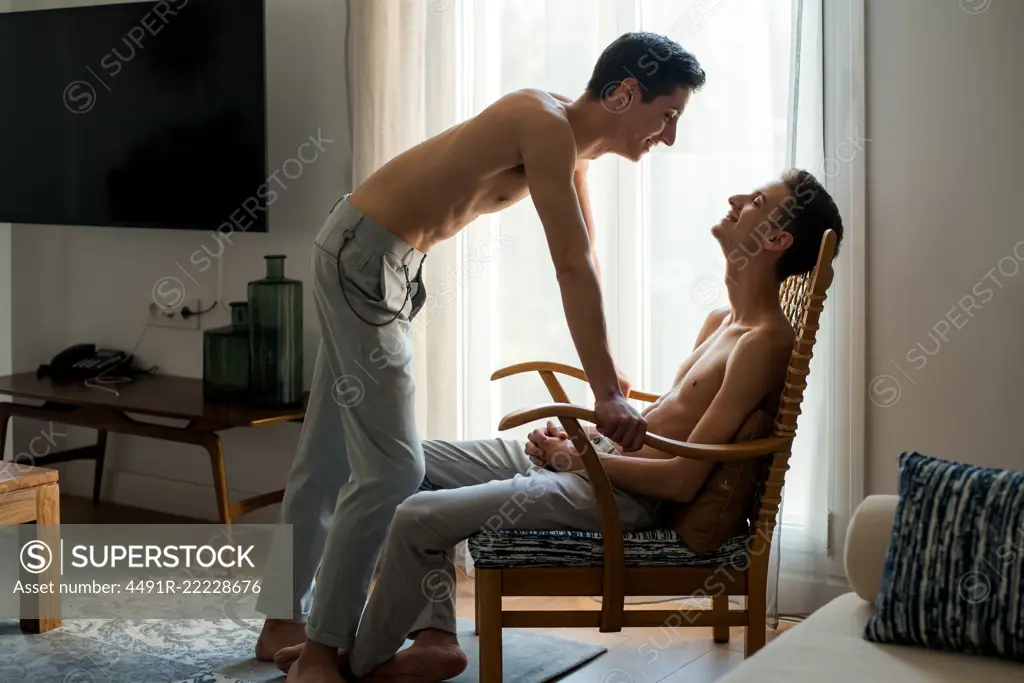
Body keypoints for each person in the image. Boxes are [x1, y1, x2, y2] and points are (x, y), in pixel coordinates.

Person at [254, 32, 708, 683]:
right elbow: (570, 267)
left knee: (328, 452)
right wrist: (606, 394)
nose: (668, 135)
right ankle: (322, 652)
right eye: (667, 115)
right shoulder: (542, 120)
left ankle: (281, 619)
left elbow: (588, 260)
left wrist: (608, 374)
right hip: (366, 259)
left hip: (381, 260)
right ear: (626, 93)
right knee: (392, 469)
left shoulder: (569, 144)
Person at [272, 169, 846, 682]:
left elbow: (681, 481)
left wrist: (577, 459)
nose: (735, 195)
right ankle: (435, 639)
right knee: (401, 462)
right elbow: (664, 421)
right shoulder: (722, 320)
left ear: (775, 240)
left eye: (757, 200)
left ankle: (357, 664)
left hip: (619, 496)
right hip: (598, 463)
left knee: (416, 515)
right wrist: (584, 438)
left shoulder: (762, 343)